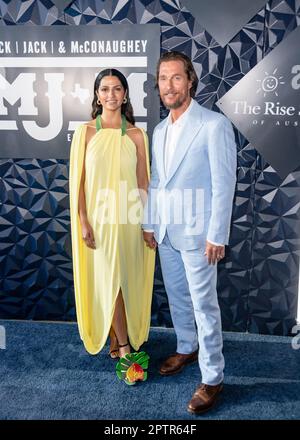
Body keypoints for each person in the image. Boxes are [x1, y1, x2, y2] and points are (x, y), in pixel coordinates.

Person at [142, 51, 237, 414]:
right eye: (163, 78)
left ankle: (212, 377)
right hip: (166, 230)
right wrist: (150, 223)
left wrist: (217, 234)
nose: (169, 85)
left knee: (204, 304)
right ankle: (186, 346)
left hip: (200, 235)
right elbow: (156, 180)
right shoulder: (160, 129)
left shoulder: (213, 125)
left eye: (176, 77)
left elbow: (224, 183)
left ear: (190, 81)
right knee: (178, 296)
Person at [69, 69, 155, 359]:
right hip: (99, 221)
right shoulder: (85, 133)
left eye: (117, 89)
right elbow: (77, 183)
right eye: (104, 89)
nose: (111, 95)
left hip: (129, 221)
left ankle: (117, 337)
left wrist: (147, 224)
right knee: (110, 279)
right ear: (97, 95)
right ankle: (123, 344)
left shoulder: (137, 135)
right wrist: (83, 221)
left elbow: (143, 183)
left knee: (125, 280)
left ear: (125, 94)